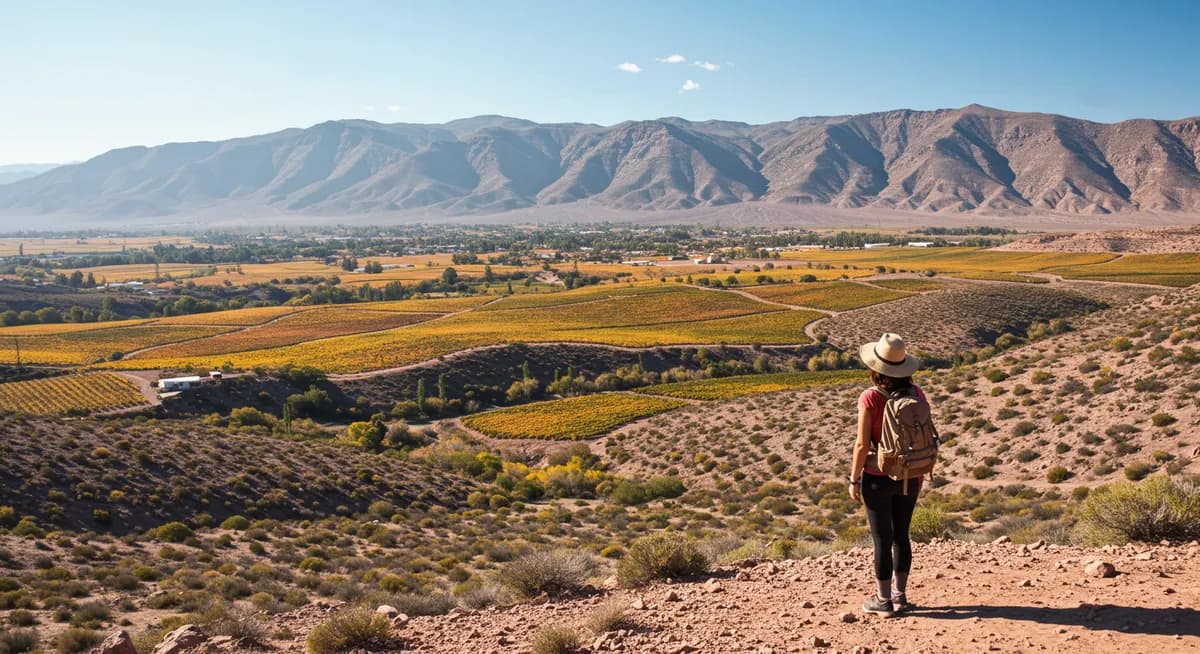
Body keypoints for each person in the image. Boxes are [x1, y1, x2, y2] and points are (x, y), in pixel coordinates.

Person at [848, 333, 926, 617]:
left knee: (882, 538)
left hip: (877, 476)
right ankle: (901, 596)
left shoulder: (870, 397)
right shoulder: (917, 394)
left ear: (876, 368)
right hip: (910, 475)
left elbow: (861, 444)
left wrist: (854, 479)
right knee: (901, 536)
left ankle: (883, 601)